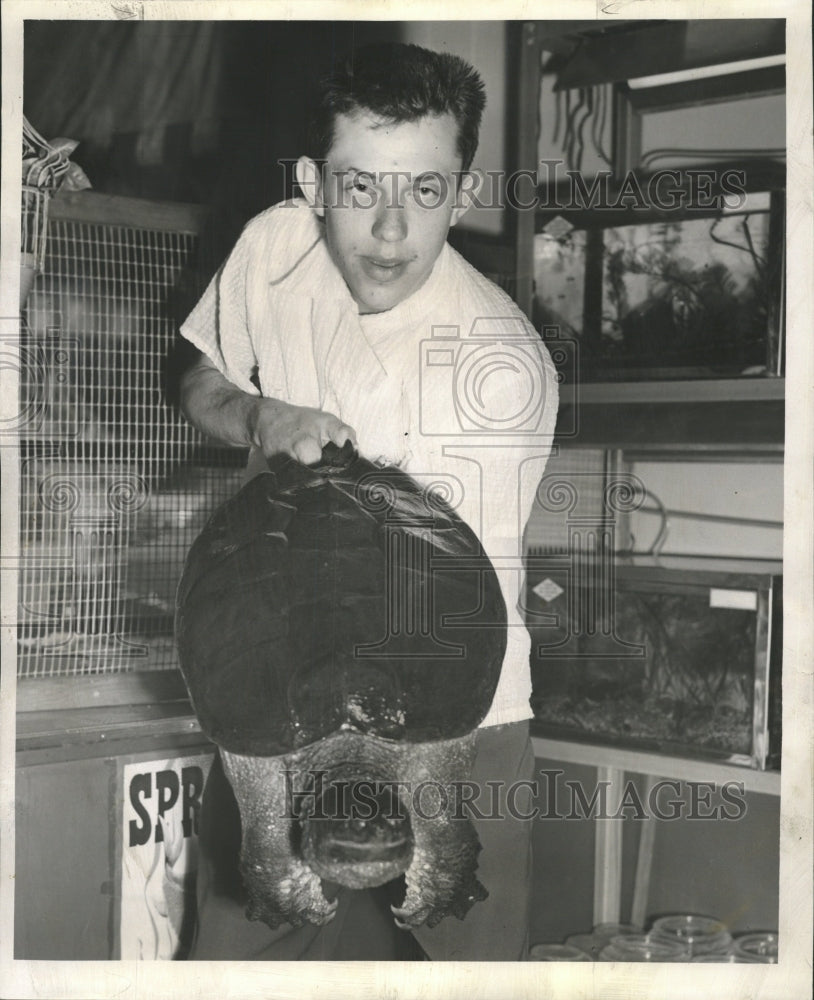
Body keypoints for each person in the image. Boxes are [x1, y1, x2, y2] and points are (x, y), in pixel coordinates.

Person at [177, 41, 558, 961]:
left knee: (451, 943)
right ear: (312, 182)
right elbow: (196, 377)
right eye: (360, 189)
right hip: (274, 670)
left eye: (425, 192)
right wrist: (259, 416)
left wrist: (393, 806)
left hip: (452, 714)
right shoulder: (274, 244)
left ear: (463, 192)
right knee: (235, 957)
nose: (391, 231)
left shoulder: (495, 371)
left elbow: (450, 623)